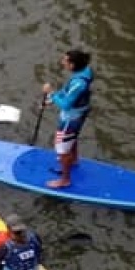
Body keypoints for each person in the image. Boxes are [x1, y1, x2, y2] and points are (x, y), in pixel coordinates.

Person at [42, 49, 94, 189]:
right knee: (73, 138)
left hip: (71, 119)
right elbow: (68, 91)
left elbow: (65, 105)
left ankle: (65, 180)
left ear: (72, 65)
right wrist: (55, 97)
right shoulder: (86, 71)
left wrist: (51, 94)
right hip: (81, 114)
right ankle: (74, 161)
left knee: (62, 149)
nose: (62, 62)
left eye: (65, 60)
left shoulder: (79, 83)